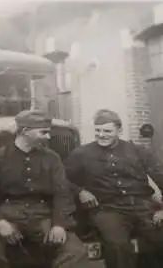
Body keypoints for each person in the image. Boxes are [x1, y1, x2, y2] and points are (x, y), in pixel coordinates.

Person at [0, 109, 87, 268]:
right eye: (43, 132)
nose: (48, 137)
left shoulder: (52, 158)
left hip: (43, 215)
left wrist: (59, 224)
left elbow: (63, 193)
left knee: (75, 252)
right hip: (7, 214)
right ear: (25, 131)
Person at [65, 109, 163, 268]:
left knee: (158, 239)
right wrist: (80, 191)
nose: (102, 135)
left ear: (119, 130)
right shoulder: (81, 154)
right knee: (117, 245)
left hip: (143, 206)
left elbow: (160, 176)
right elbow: (63, 180)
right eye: (98, 130)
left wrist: (161, 208)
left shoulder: (138, 151)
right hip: (107, 209)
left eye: (107, 131)